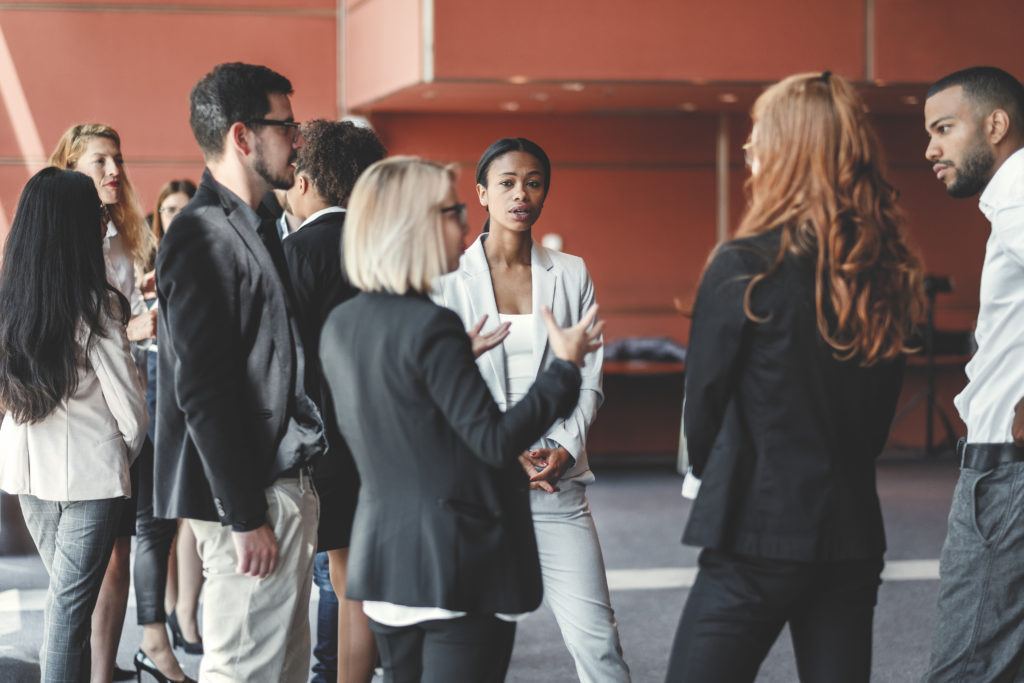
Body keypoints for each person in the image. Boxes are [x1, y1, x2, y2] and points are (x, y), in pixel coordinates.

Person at [664, 72, 924, 682]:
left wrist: (713, 473)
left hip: (756, 531)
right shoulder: (886, 271)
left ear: (785, 150)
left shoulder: (745, 265)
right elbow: (875, 426)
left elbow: (701, 410)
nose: (750, 152)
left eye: (757, 139)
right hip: (851, 533)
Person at [319, 156, 603, 683]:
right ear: (416, 224)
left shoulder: (344, 322)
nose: (468, 225)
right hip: (453, 562)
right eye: (452, 212)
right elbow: (494, 444)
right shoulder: (431, 325)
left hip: (384, 559)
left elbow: (392, 422)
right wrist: (563, 369)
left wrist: (448, 362)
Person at [434, 137, 630, 683]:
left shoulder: (571, 272)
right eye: (508, 182)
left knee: (599, 644)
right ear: (481, 193)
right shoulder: (447, 278)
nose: (522, 193)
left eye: (534, 182)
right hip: (477, 487)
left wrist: (567, 447)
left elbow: (588, 374)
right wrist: (502, 447)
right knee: (469, 651)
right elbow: (442, 383)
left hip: (556, 483)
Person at [153, 61, 325, 683]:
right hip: (250, 496)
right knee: (243, 672)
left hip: (277, 485)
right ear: (242, 136)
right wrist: (244, 514)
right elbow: (202, 388)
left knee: (279, 671)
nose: (299, 139)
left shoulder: (257, 226)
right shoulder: (200, 233)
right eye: (287, 125)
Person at [0, 167, 148, 682]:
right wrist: (114, 453)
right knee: (68, 613)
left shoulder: (10, 303)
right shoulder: (98, 305)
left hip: (29, 479)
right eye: (98, 215)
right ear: (76, 226)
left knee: (69, 609)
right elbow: (131, 414)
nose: (103, 223)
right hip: (92, 479)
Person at [48, 123, 169, 683]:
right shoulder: (49, 237)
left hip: (126, 413)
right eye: (100, 161)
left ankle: (102, 672)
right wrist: (128, 328)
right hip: (74, 424)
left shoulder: (129, 237)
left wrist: (143, 323)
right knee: (76, 571)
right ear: (72, 166)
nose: (115, 170)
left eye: (118, 159)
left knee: (119, 550)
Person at [922, 66, 1024, 682]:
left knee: (966, 667)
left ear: (995, 124)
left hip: (1006, 476)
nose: (931, 148)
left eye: (944, 128)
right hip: (1004, 471)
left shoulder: (1018, 193)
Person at [280, 119, 386, 683]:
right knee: (359, 581)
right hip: (382, 430)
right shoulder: (384, 249)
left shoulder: (295, 252)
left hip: (324, 437)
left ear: (307, 179)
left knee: (343, 582)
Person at [146, 180, 207, 664]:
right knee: (158, 516)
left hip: (191, 401)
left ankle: (186, 611)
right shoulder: (145, 272)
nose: (177, 215)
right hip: (147, 402)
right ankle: (168, 608)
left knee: (190, 510)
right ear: (158, 216)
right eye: (169, 209)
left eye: (185, 208)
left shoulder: (205, 259)